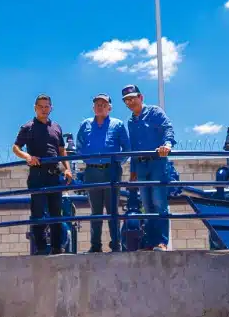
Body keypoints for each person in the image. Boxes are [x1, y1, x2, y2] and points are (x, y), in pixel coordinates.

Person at [12, 94, 70, 256]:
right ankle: (41, 248)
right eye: (41, 106)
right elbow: (16, 148)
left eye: (47, 106)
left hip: (55, 175)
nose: (44, 109)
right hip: (37, 174)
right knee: (38, 212)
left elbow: (61, 149)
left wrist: (67, 168)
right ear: (35, 108)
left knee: (56, 212)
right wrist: (28, 157)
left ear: (51, 108)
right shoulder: (28, 127)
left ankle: (58, 248)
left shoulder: (57, 127)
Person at [120, 84, 176, 250]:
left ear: (141, 97)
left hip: (157, 162)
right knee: (147, 204)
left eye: (132, 98)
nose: (130, 102)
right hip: (141, 166)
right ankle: (151, 242)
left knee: (159, 203)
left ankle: (162, 242)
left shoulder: (155, 112)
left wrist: (167, 144)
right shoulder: (131, 121)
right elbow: (134, 148)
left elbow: (168, 127)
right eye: (127, 100)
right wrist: (133, 171)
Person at [75, 93, 130, 252]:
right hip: (92, 173)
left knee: (113, 210)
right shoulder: (85, 124)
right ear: (93, 107)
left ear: (109, 108)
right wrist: (88, 159)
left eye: (104, 104)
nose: (100, 106)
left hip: (111, 171)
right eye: (97, 104)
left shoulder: (117, 124)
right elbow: (79, 146)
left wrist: (117, 162)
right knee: (96, 211)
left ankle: (116, 246)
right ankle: (95, 246)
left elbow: (126, 148)